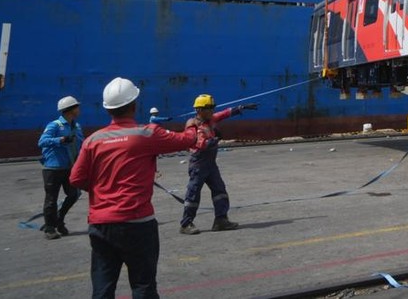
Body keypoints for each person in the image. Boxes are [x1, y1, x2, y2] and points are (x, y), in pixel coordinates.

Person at [70, 77, 198, 298]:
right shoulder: (147, 133)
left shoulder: (93, 140)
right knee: (143, 286)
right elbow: (186, 140)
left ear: (108, 109)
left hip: (101, 224)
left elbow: (76, 178)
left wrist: (103, 190)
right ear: (134, 105)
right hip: (137, 224)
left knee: (102, 288)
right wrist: (194, 126)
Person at [179, 95, 256, 235]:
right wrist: (213, 141)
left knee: (220, 191)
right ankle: (186, 224)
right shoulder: (193, 124)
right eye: (209, 108)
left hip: (210, 164)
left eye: (213, 108)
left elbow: (224, 113)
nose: (212, 111)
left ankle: (221, 220)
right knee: (193, 193)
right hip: (198, 164)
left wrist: (240, 108)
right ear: (200, 109)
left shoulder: (211, 119)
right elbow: (197, 143)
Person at [37, 95, 84, 239]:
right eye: (77, 107)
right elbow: (42, 142)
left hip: (69, 167)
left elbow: (82, 145)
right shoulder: (54, 125)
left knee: (74, 194)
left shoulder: (77, 127)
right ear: (70, 110)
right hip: (53, 168)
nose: (79, 109)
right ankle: (49, 229)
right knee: (51, 198)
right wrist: (61, 140)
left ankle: (59, 218)